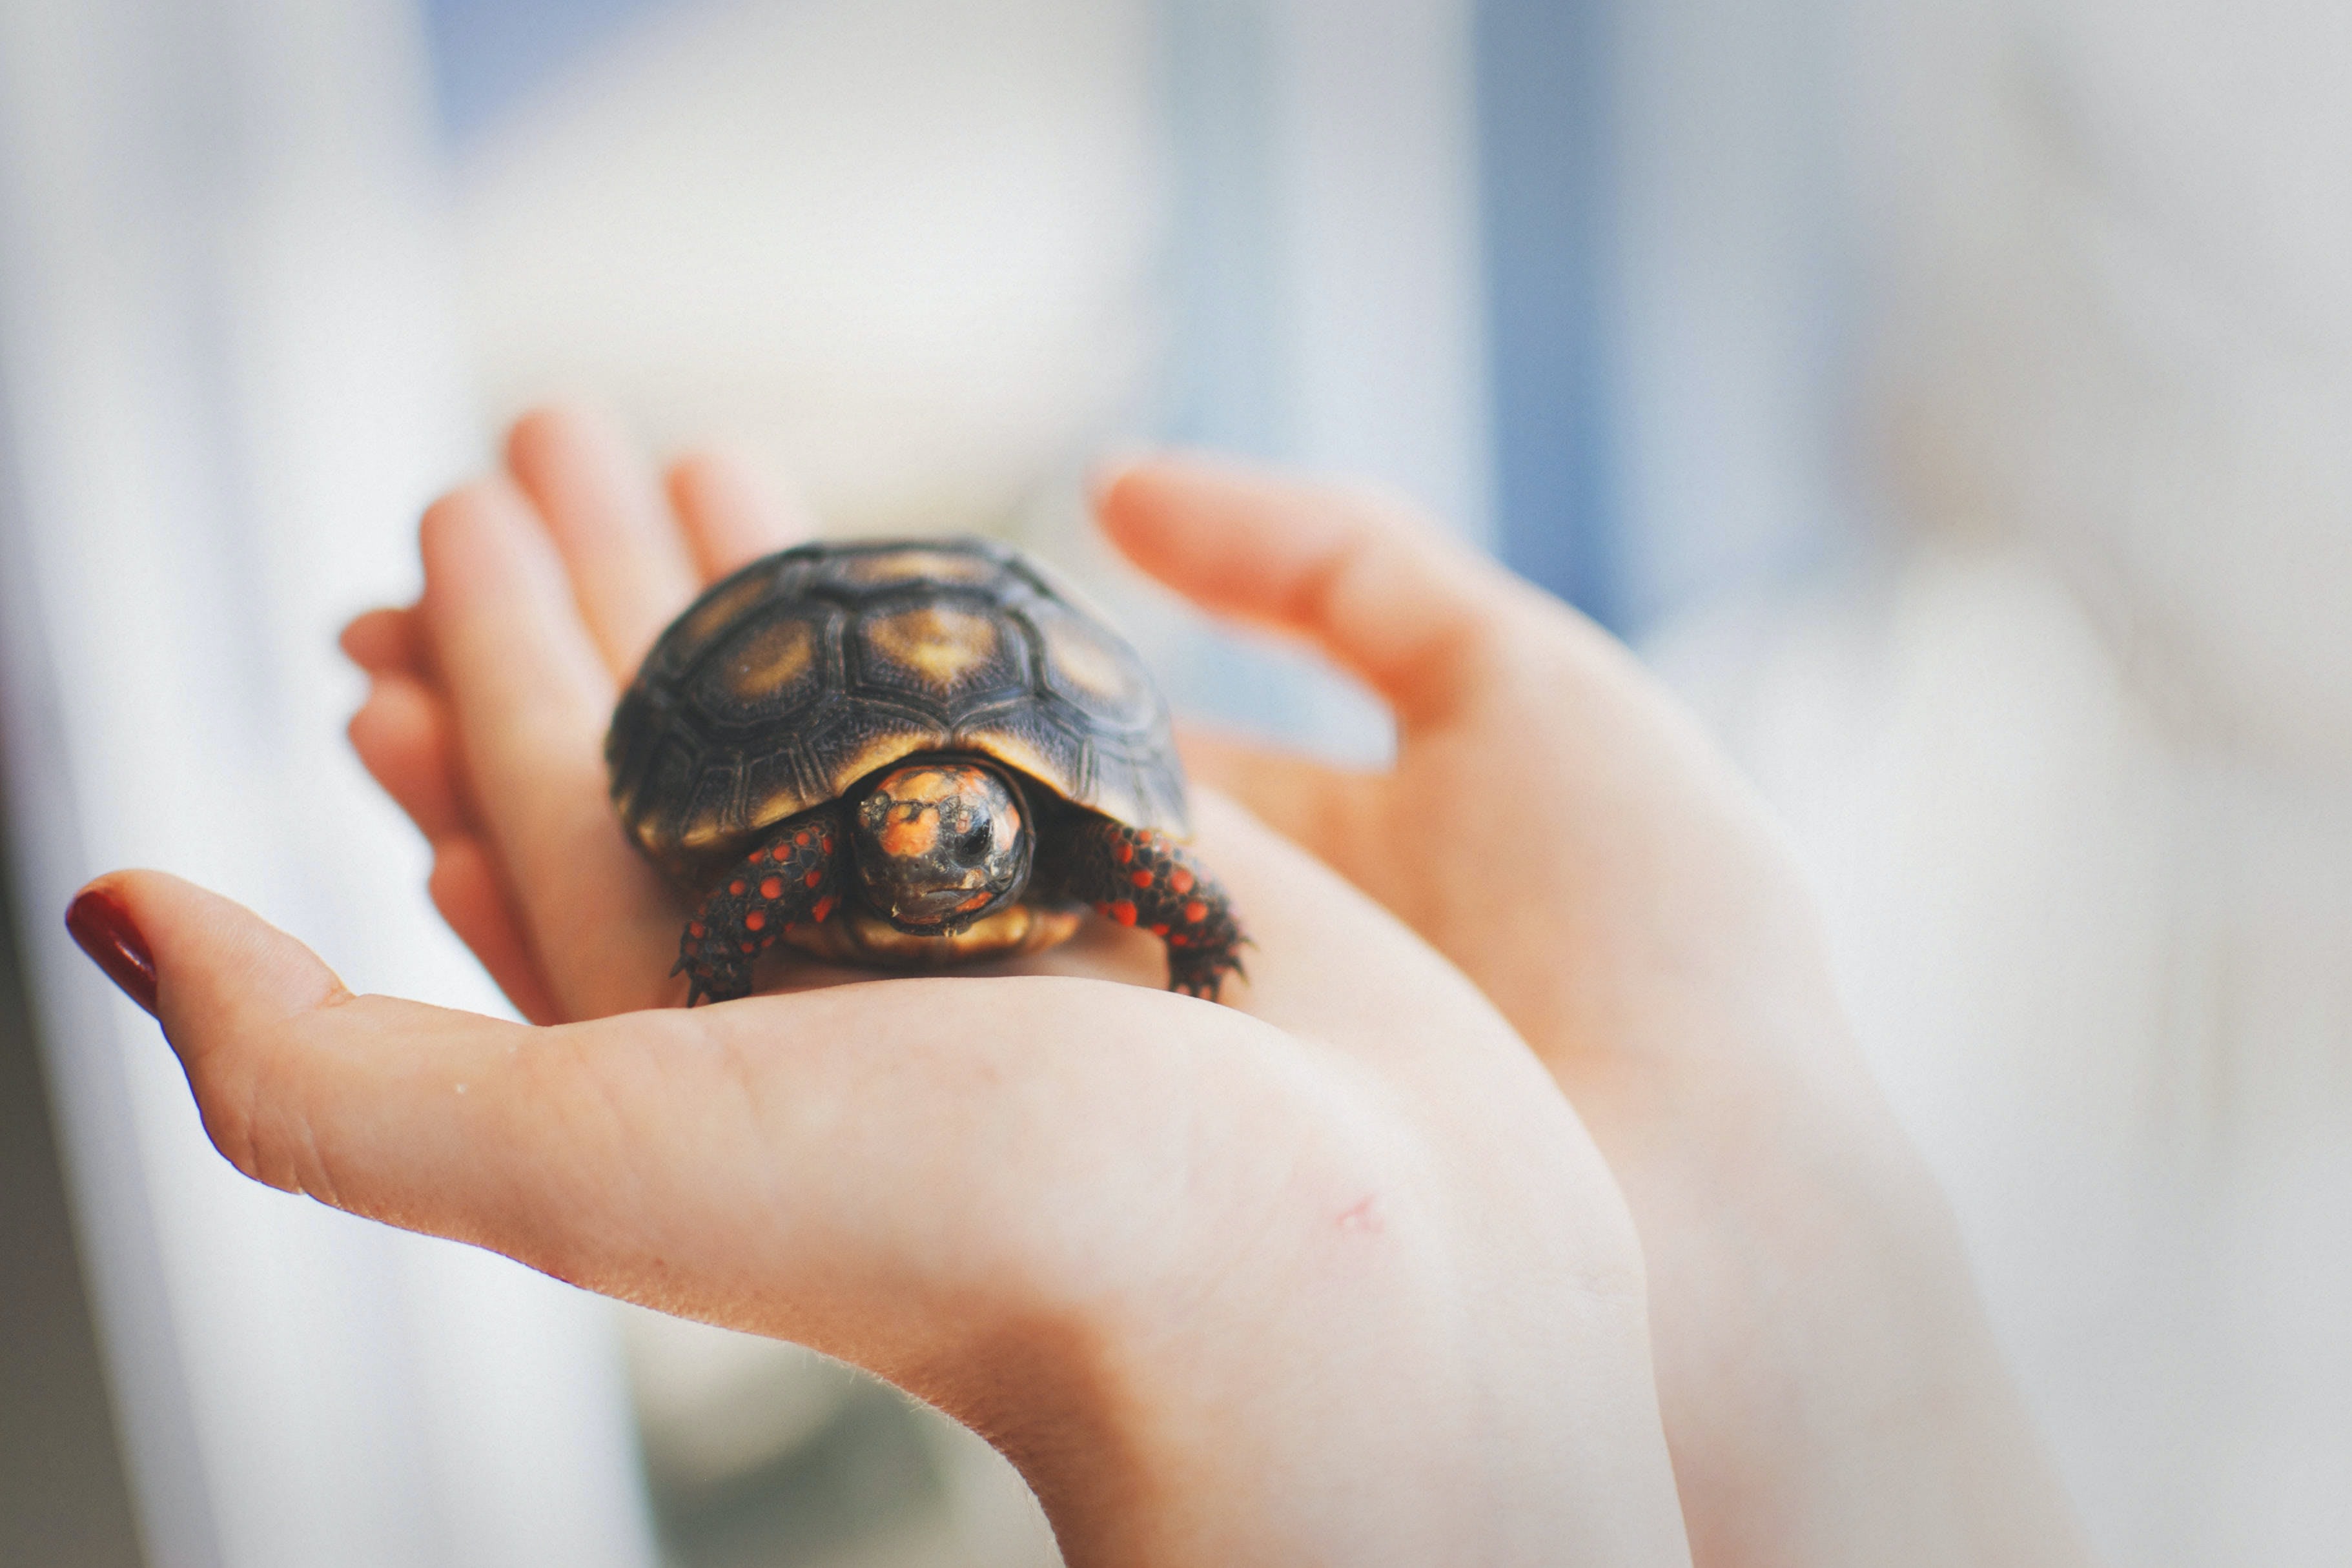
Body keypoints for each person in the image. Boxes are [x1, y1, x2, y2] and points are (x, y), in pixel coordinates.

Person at [66, 407, 2090, 1565]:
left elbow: (1149, 866)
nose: (937, 845)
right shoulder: (826, 844)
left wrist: (1770, 1245)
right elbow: (799, 861)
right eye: (905, 836)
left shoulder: (1080, 849)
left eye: (965, 835)